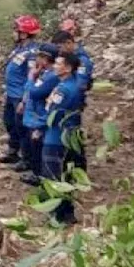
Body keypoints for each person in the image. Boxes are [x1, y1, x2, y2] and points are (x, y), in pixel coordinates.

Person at [38, 50, 87, 225]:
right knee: (67, 175)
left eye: (58, 64)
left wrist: (38, 127)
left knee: (54, 176)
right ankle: (67, 213)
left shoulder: (64, 89)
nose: (54, 66)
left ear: (66, 68)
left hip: (56, 139)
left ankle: (58, 216)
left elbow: (54, 114)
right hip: (70, 137)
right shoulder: (74, 86)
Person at [0, 14, 43, 164]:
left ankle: (27, 159)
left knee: (23, 128)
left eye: (16, 30)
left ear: (24, 34)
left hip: (21, 95)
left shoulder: (32, 53)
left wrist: (25, 100)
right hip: (11, 93)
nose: (13, 33)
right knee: (9, 122)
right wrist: (6, 91)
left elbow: (31, 77)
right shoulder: (18, 49)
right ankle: (13, 152)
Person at [17, 44, 58, 185]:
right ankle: (36, 173)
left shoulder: (51, 77)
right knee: (34, 148)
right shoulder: (44, 73)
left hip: (39, 118)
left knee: (38, 149)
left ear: (47, 59)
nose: (37, 59)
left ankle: (39, 176)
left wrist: (30, 78)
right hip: (34, 116)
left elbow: (34, 93)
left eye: (40, 57)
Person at [56, 21, 94, 92]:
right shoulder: (69, 56)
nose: (59, 51)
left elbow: (81, 85)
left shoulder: (82, 61)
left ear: (68, 43)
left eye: (60, 47)